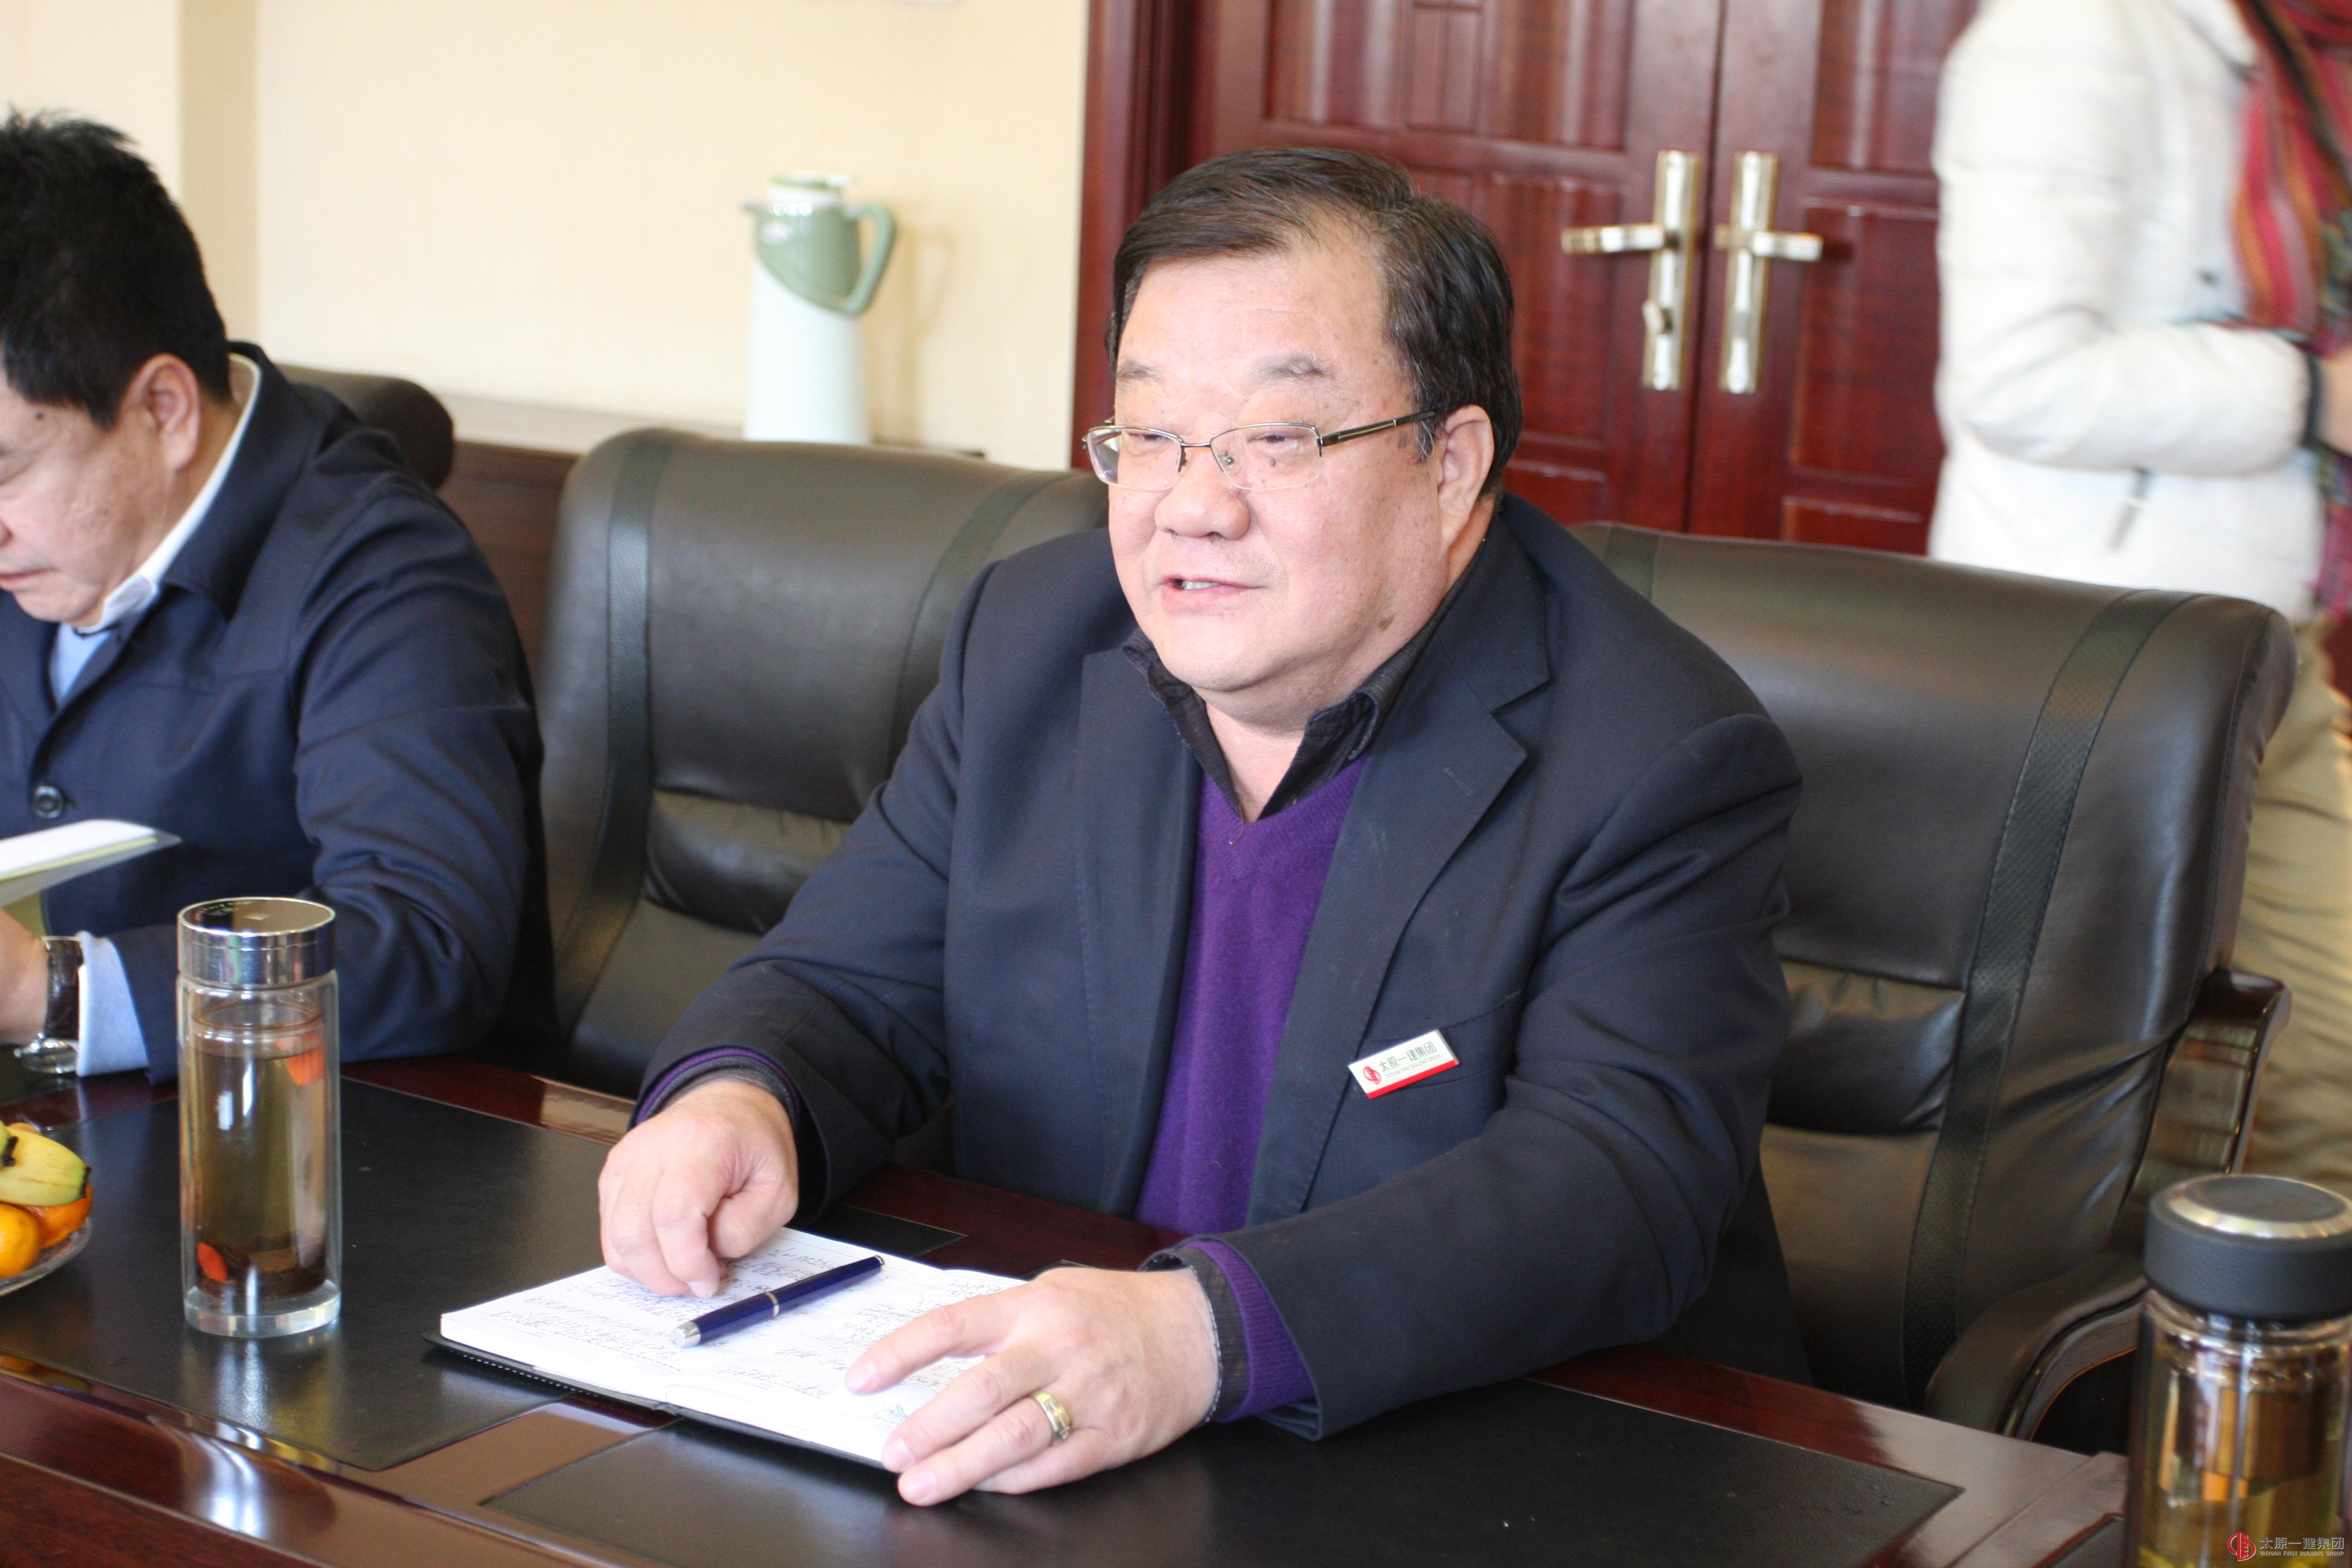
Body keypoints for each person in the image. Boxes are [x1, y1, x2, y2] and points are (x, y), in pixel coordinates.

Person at [598, 147, 1805, 1504]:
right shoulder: (1034, 640)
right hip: (1061, 1436)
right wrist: (739, 1094)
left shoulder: (1654, 754)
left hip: (1489, 1470)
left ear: (1450, 463)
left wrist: (1206, 1333)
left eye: (1277, 440)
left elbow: (1616, 1183)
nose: (1192, 505)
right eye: (1152, 435)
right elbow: (847, 979)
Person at [0, 113, 550, 1076]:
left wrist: (47, 992)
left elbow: (427, 942)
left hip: (318, 1140)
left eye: (5, 470)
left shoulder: (386, 574)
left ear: (164, 410)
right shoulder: (52, 535)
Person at [1932, 0, 2352, 1192]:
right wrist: (2313, 396)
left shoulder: (2301, 48)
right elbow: (2019, 380)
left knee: (2324, 1080)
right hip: (2106, 663)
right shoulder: (2073, 32)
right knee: (2108, 1103)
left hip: (2270, 643)